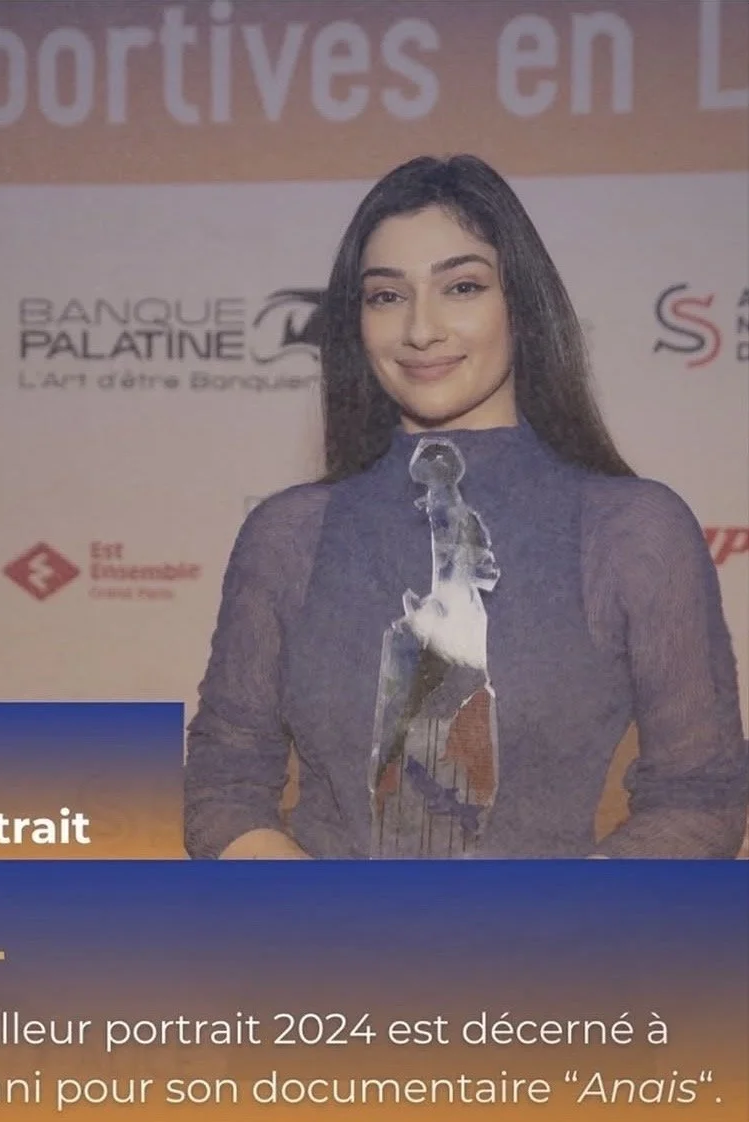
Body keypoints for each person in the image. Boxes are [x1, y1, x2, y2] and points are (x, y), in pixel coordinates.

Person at [183, 154, 748, 860]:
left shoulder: (630, 530)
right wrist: (321, 920)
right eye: (386, 296)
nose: (422, 329)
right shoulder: (289, 534)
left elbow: (700, 795)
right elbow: (224, 782)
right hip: (319, 959)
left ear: (521, 304)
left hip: (552, 959)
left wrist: (539, 932)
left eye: (461, 287)